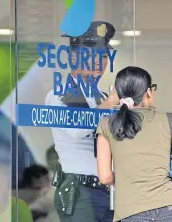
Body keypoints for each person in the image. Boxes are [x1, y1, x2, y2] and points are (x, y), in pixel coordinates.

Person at [96, 66, 172, 222]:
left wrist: (128, 177)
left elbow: (105, 177)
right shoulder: (169, 119)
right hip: (170, 208)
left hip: (130, 211)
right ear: (148, 92)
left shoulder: (106, 124)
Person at [45, 21, 119, 222]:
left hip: (109, 189)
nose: (99, 61)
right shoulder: (61, 92)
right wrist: (111, 103)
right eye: (91, 55)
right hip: (80, 190)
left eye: (104, 56)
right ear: (73, 57)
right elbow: (78, 128)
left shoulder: (102, 96)